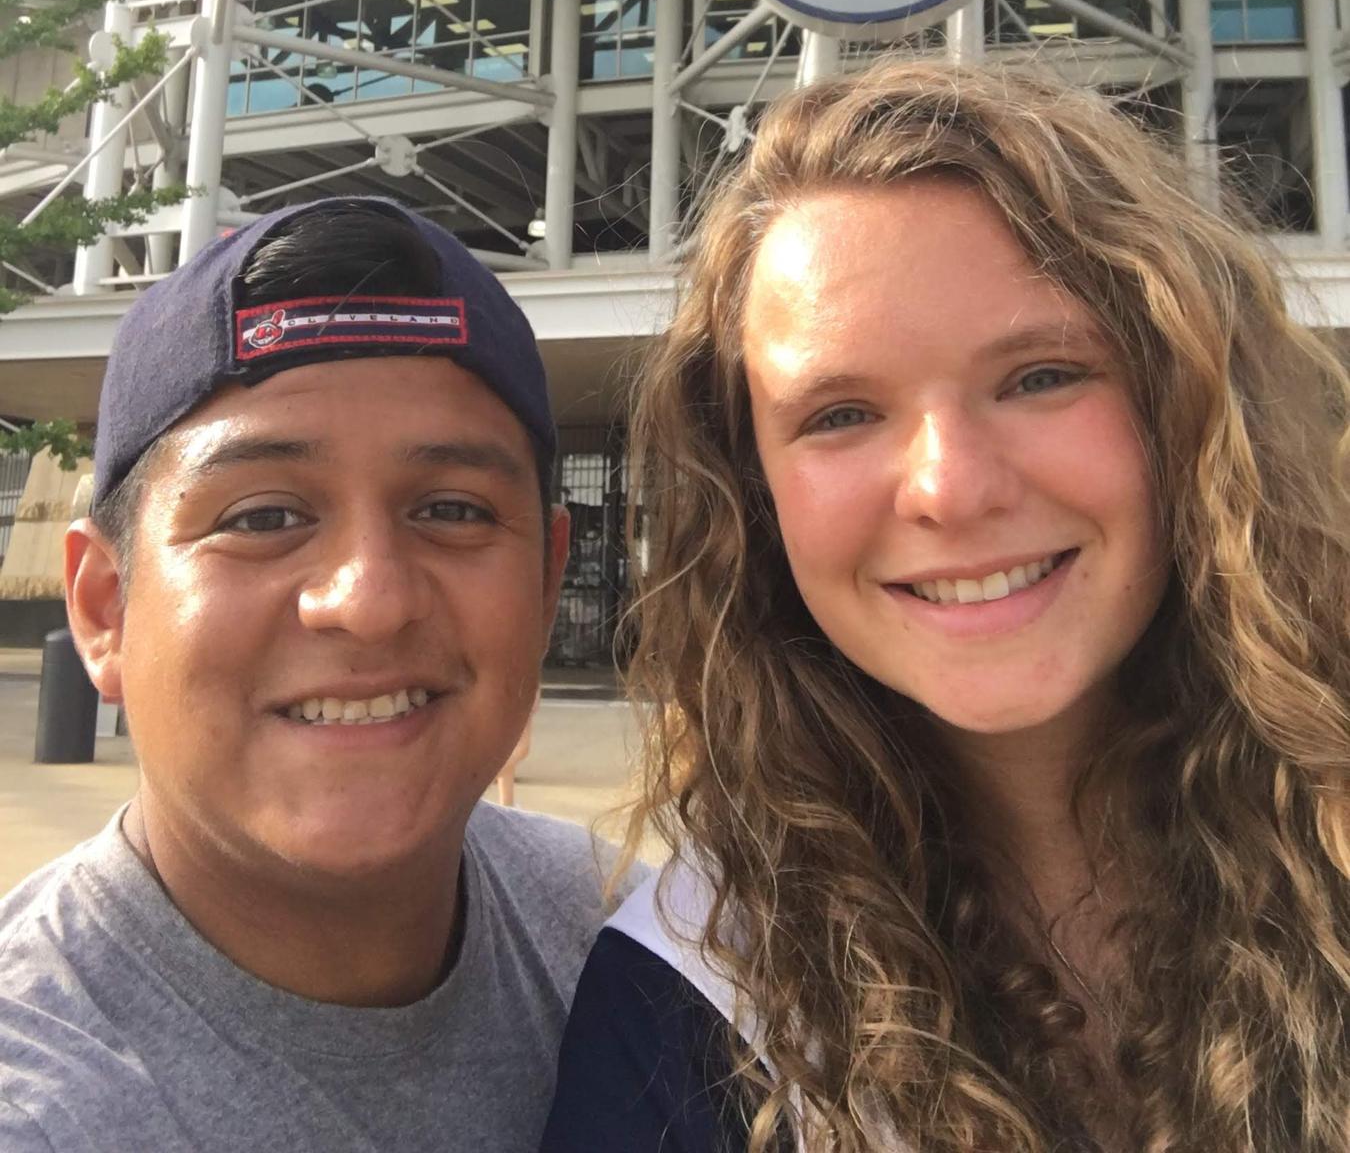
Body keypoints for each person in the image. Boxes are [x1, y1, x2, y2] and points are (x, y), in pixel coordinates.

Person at [541, 59, 1350, 1153]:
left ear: (1188, 407)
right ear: (754, 495)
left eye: (1041, 377)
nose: (950, 488)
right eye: (840, 413)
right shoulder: (693, 996)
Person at [0, 197, 632, 1153]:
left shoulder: (643, 952)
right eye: (261, 517)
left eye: (453, 510)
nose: (368, 598)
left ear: (546, 585)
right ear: (103, 608)